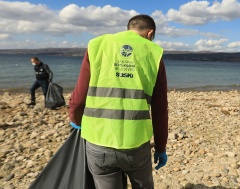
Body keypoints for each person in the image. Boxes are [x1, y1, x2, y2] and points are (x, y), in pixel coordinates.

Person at [69, 14, 169, 189]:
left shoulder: (97, 45)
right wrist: (160, 147)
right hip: (136, 142)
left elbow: (79, 96)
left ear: (129, 28)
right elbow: (160, 109)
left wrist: (76, 120)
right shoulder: (153, 52)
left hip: (98, 139)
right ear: (150, 33)